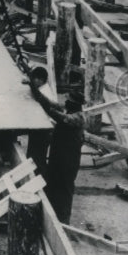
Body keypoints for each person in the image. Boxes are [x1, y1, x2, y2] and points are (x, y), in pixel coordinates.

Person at [44, 91, 86, 224]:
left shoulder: (78, 117)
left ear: (75, 103)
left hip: (69, 160)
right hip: (58, 156)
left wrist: (48, 109)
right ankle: (51, 216)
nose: (66, 101)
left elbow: (61, 117)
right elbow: (54, 104)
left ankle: (64, 220)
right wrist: (38, 95)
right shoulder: (70, 110)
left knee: (65, 188)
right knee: (53, 184)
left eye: (69, 100)